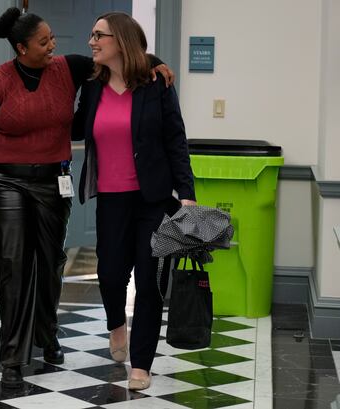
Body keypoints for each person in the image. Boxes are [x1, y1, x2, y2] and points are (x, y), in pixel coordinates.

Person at [0, 7, 175, 388]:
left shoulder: (68, 68)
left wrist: (157, 63)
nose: (53, 45)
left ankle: (46, 332)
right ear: (22, 48)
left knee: (51, 260)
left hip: (54, 180)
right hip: (7, 180)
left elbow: (122, 61)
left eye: (53, 37)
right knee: (13, 264)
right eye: (44, 42)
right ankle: (13, 357)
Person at [72, 12, 196, 391]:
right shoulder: (92, 85)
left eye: (99, 35)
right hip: (110, 199)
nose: (92, 41)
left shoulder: (156, 85)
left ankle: (141, 364)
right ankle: (115, 325)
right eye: (92, 35)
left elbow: (176, 140)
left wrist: (187, 195)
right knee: (109, 274)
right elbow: (77, 127)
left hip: (154, 201)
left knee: (149, 281)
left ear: (120, 40)